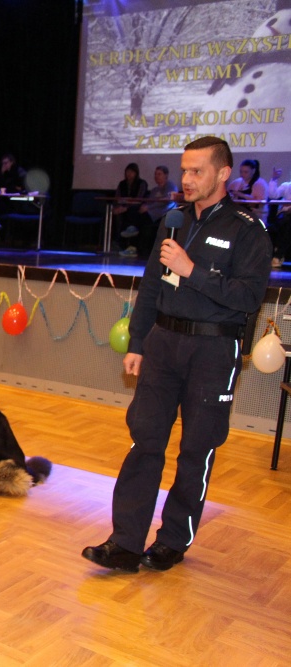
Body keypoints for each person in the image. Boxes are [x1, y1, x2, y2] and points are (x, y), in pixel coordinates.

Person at [82, 137, 271, 573]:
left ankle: (172, 540)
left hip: (214, 349)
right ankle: (125, 543)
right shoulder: (174, 220)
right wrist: (138, 342)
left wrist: (192, 271)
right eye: (184, 170)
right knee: (144, 439)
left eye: (196, 171)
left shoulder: (247, 229)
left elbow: (248, 297)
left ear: (223, 174)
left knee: (196, 448)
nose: (186, 179)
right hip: (163, 344)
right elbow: (152, 285)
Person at [135, 165, 179, 257]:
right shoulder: (154, 190)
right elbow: (150, 202)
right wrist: (145, 207)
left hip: (164, 214)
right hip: (152, 214)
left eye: (159, 174)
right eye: (155, 174)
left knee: (144, 220)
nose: (156, 176)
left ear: (166, 175)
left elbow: (167, 200)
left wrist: (149, 208)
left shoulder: (171, 186)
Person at [113, 162, 149, 257]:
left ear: (136, 173)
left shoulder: (141, 183)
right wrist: (118, 207)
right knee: (116, 214)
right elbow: (117, 198)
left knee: (132, 212)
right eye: (127, 172)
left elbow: (139, 199)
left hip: (135, 209)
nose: (129, 174)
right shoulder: (122, 184)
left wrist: (126, 207)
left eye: (131, 172)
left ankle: (130, 239)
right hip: (122, 208)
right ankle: (119, 243)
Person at [265, 167, 291, 268]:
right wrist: (274, 179)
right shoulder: (286, 186)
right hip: (284, 216)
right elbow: (273, 196)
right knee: (286, 222)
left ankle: (278, 254)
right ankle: (278, 254)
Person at [227, 158, 267, 222]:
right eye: (241, 172)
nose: (242, 174)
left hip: (255, 216)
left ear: (253, 171)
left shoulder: (260, 184)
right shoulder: (236, 182)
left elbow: (258, 203)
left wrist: (241, 195)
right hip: (238, 214)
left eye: (246, 172)